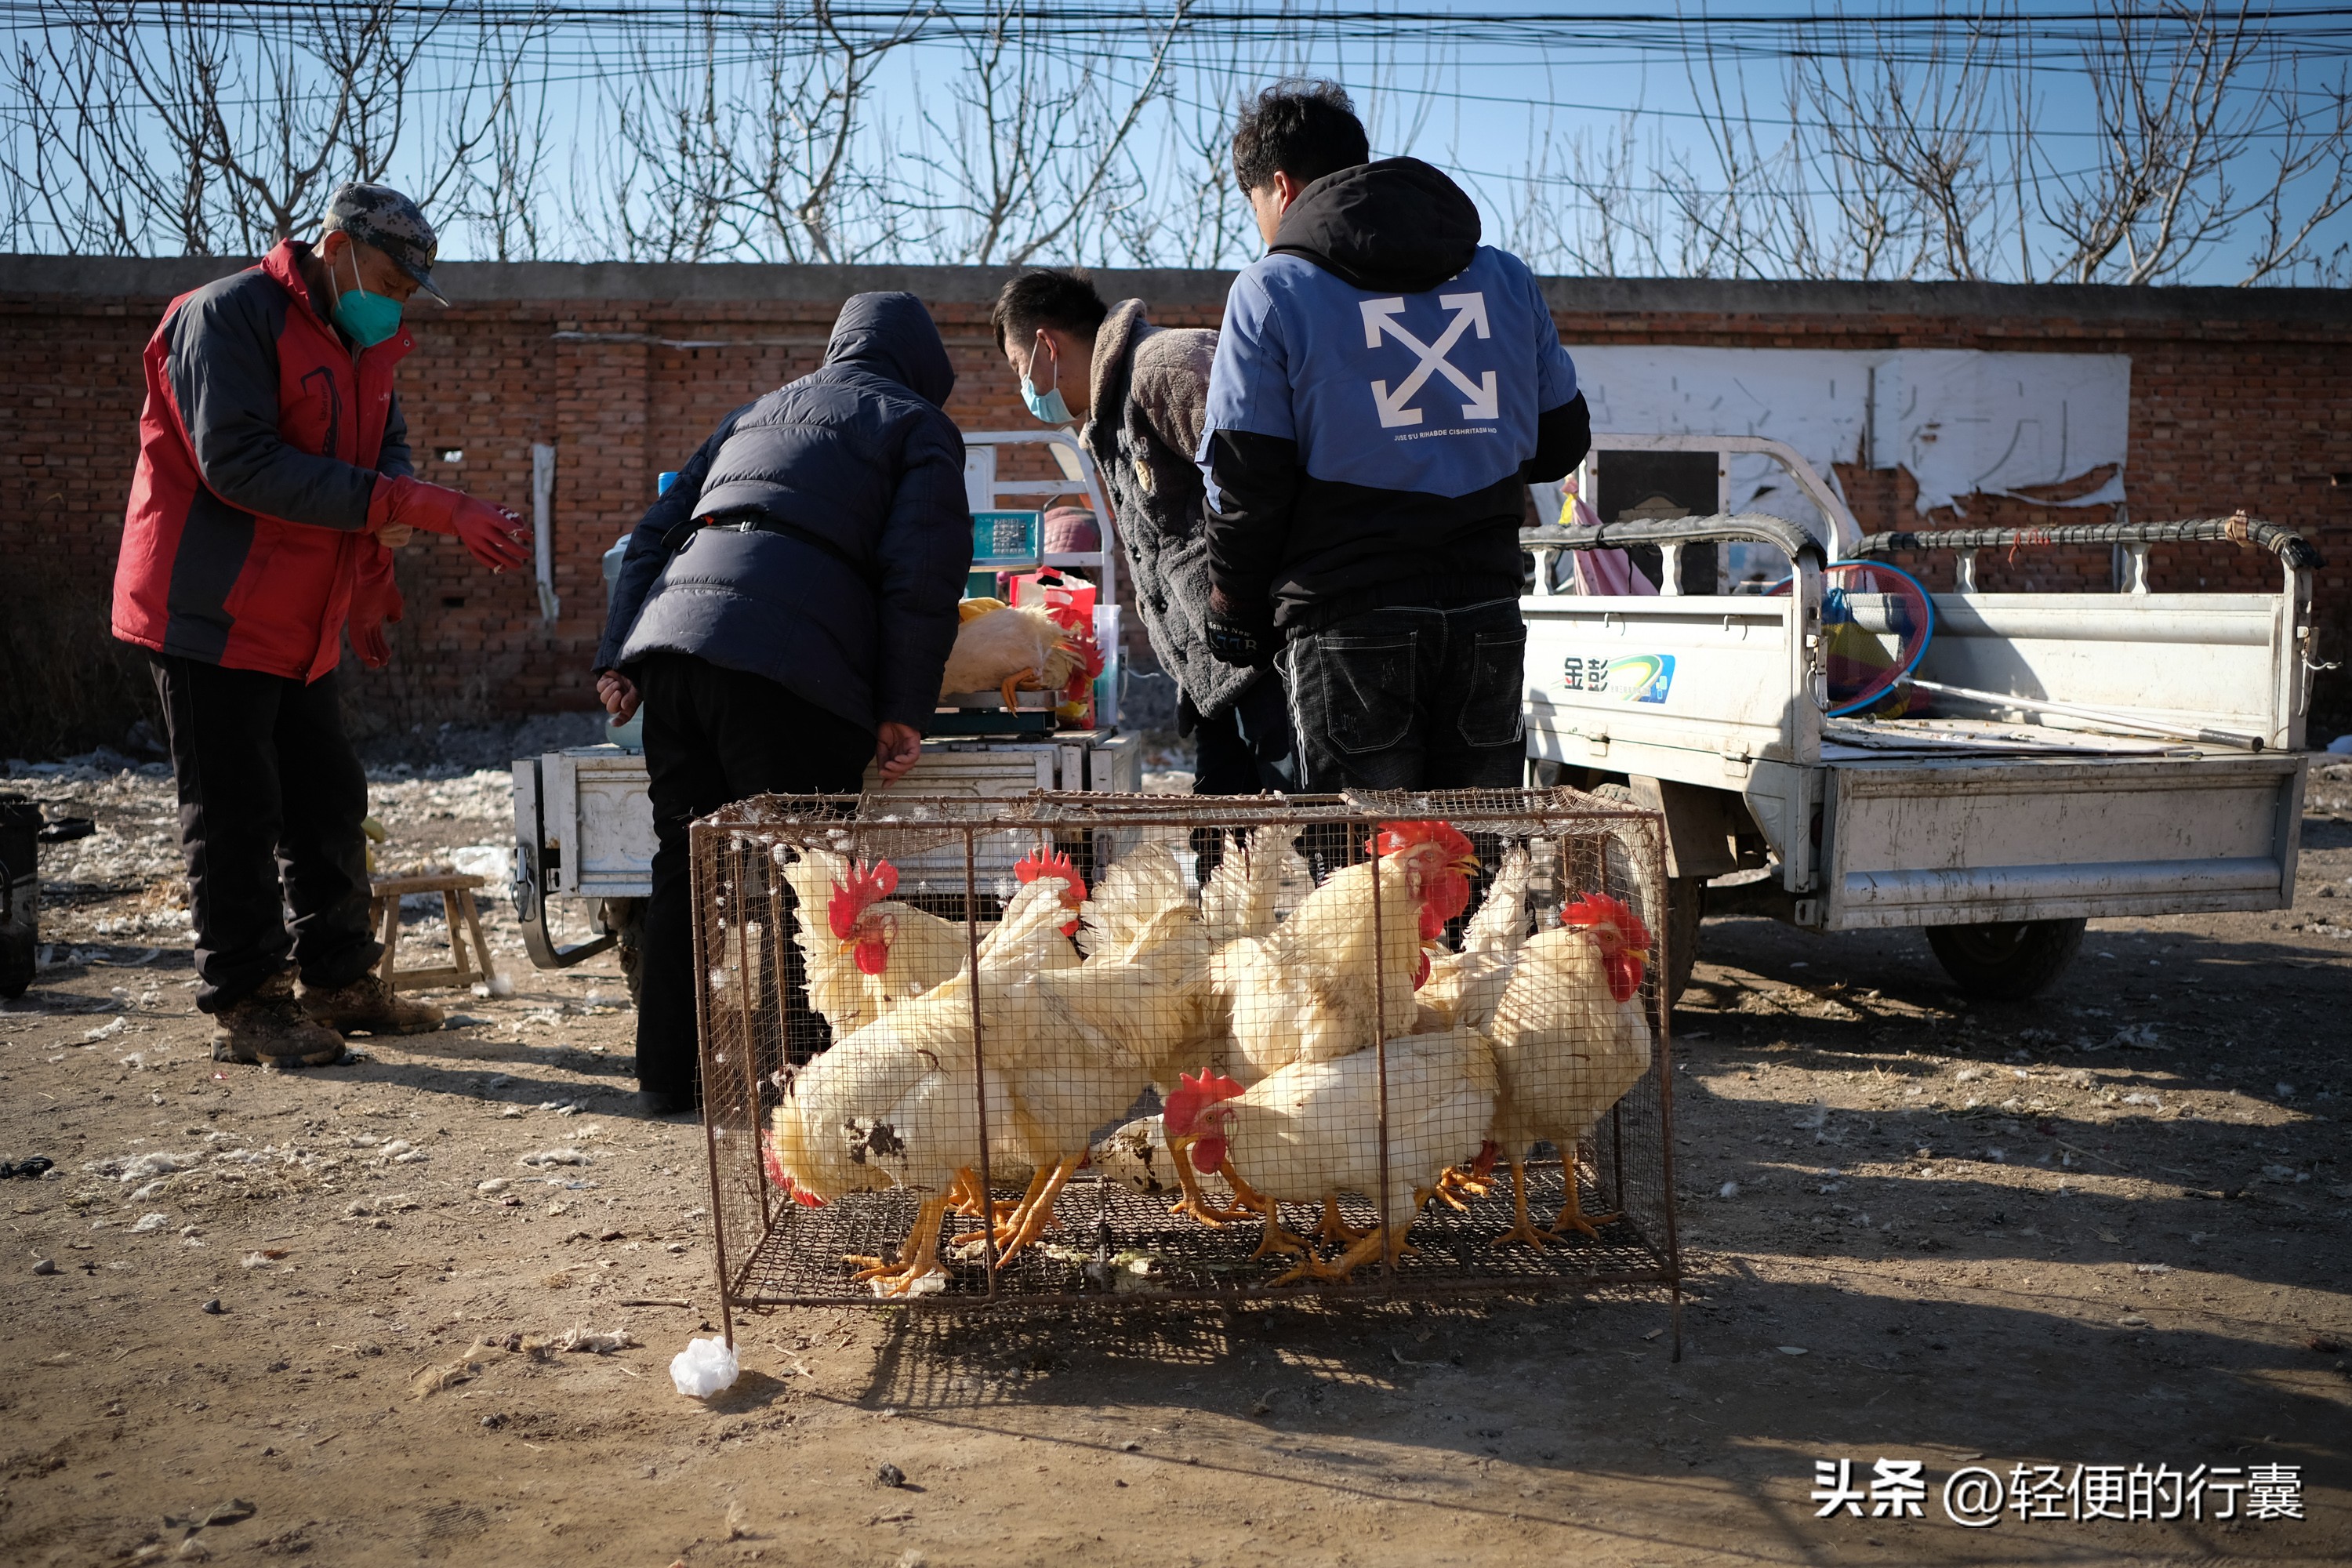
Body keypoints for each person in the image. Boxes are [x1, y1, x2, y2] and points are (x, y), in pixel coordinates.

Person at [112, 182, 531, 1069]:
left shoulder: (365, 344)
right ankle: (247, 1001)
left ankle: (338, 979)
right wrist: (422, 503)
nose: (400, 302)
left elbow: (385, 460)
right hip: (209, 608)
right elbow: (241, 464)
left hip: (302, 616)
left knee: (327, 795)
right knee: (234, 808)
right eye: (393, 279)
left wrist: (373, 582)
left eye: (414, 291)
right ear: (336, 248)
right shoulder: (225, 316)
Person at [595, 292, 972, 1116]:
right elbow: (922, 574)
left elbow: (655, 531)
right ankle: (804, 1087)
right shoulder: (915, 425)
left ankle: (665, 1079)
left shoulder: (757, 411)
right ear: (921, 364)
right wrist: (905, 706)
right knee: (810, 876)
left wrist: (621, 655)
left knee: (686, 870)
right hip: (788, 668)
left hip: (677, 651)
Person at [1197, 81, 1591, 793]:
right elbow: (1561, 445)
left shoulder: (1270, 290)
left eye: (1253, 204)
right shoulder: (1504, 277)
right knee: (1478, 859)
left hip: (1349, 622)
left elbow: (1247, 484)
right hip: (1487, 612)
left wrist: (1232, 609)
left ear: (1279, 188)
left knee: (1364, 880)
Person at [992, 269, 1295, 795]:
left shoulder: (1167, 367)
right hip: (1215, 680)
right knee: (1225, 857)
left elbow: (1263, 488)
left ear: (1047, 344)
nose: (1026, 388)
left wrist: (1235, 608)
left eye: (1020, 367)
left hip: (1267, 665)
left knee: (1311, 845)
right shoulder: (1107, 416)